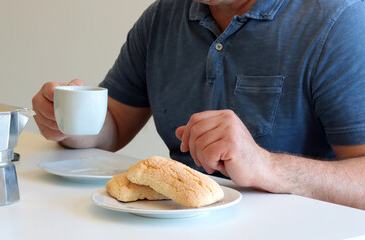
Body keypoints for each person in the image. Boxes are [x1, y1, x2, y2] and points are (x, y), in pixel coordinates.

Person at [32, 0, 365, 209]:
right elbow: (114, 126)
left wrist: (269, 166)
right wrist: (68, 122)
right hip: (171, 219)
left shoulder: (341, 20)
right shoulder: (162, 16)